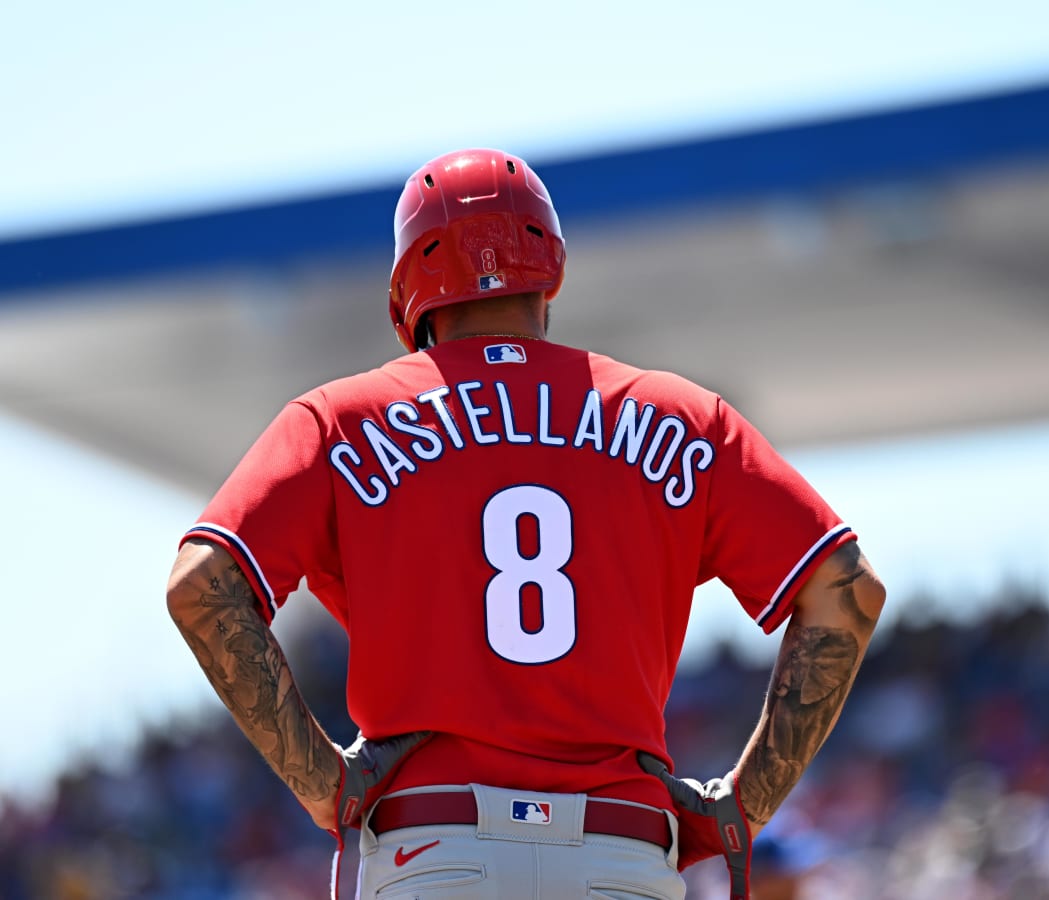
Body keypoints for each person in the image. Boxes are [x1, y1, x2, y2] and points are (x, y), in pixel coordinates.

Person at [166, 147, 886, 899]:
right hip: (622, 858)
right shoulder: (682, 415)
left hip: (433, 851)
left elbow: (202, 586)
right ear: (551, 273)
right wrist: (746, 804)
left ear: (407, 291)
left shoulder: (339, 419)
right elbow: (848, 593)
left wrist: (322, 784)